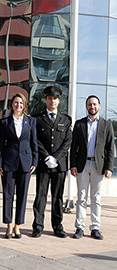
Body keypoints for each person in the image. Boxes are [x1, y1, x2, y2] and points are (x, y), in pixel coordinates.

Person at [70, 95, 114, 240]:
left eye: (94, 104)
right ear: (86, 106)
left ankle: (95, 227)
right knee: (81, 197)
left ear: (99, 106)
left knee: (96, 198)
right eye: (89, 104)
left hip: (99, 166)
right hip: (82, 165)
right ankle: (80, 227)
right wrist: (73, 165)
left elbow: (109, 148)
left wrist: (109, 167)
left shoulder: (107, 125)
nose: (92, 107)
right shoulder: (79, 124)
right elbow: (74, 146)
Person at [32, 86, 72, 238]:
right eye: (49, 98)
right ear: (45, 100)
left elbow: (68, 141)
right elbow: (35, 140)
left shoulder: (66, 119)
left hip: (59, 165)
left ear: (59, 101)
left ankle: (57, 225)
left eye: (55, 98)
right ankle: (38, 225)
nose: (52, 101)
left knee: (58, 197)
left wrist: (55, 157)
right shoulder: (37, 118)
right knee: (40, 196)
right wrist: (46, 157)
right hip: (43, 164)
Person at [0, 93, 38, 239]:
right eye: (15, 102)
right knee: (8, 195)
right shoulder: (4, 122)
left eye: (21, 103)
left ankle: (18, 225)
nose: (18, 105)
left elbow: (34, 143)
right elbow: (1, 144)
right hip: (9, 162)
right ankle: (8, 225)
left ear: (24, 105)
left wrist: (35, 161)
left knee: (23, 195)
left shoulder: (31, 121)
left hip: (26, 163)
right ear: (11, 105)